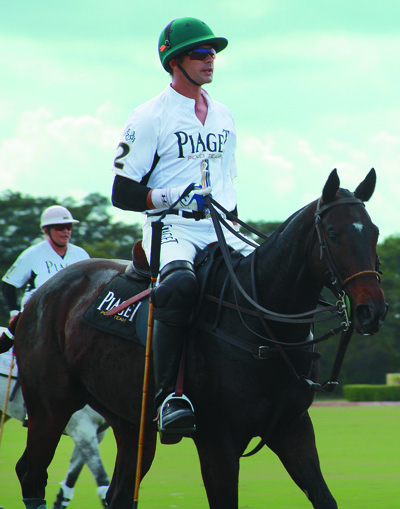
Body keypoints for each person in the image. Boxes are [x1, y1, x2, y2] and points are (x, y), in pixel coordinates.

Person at [111, 17, 254, 441]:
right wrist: (174, 196)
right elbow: (122, 192)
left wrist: (234, 223)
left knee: (270, 275)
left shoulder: (224, 115)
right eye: (200, 54)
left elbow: (226, 182)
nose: (210, 60)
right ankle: (167, 399)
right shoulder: (148, 116)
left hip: (222, 227)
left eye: (213, 53)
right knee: (180, 287)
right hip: (171, 227)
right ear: (175, 61)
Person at [2, 205, 90, 316]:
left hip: (71, 312)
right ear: (47, 230)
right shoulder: (33, 253)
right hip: (36, 313)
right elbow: (8, 284)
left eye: (69, 227)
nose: (66, 231)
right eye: (60, 227)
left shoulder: (81, 254)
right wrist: (14, 312)